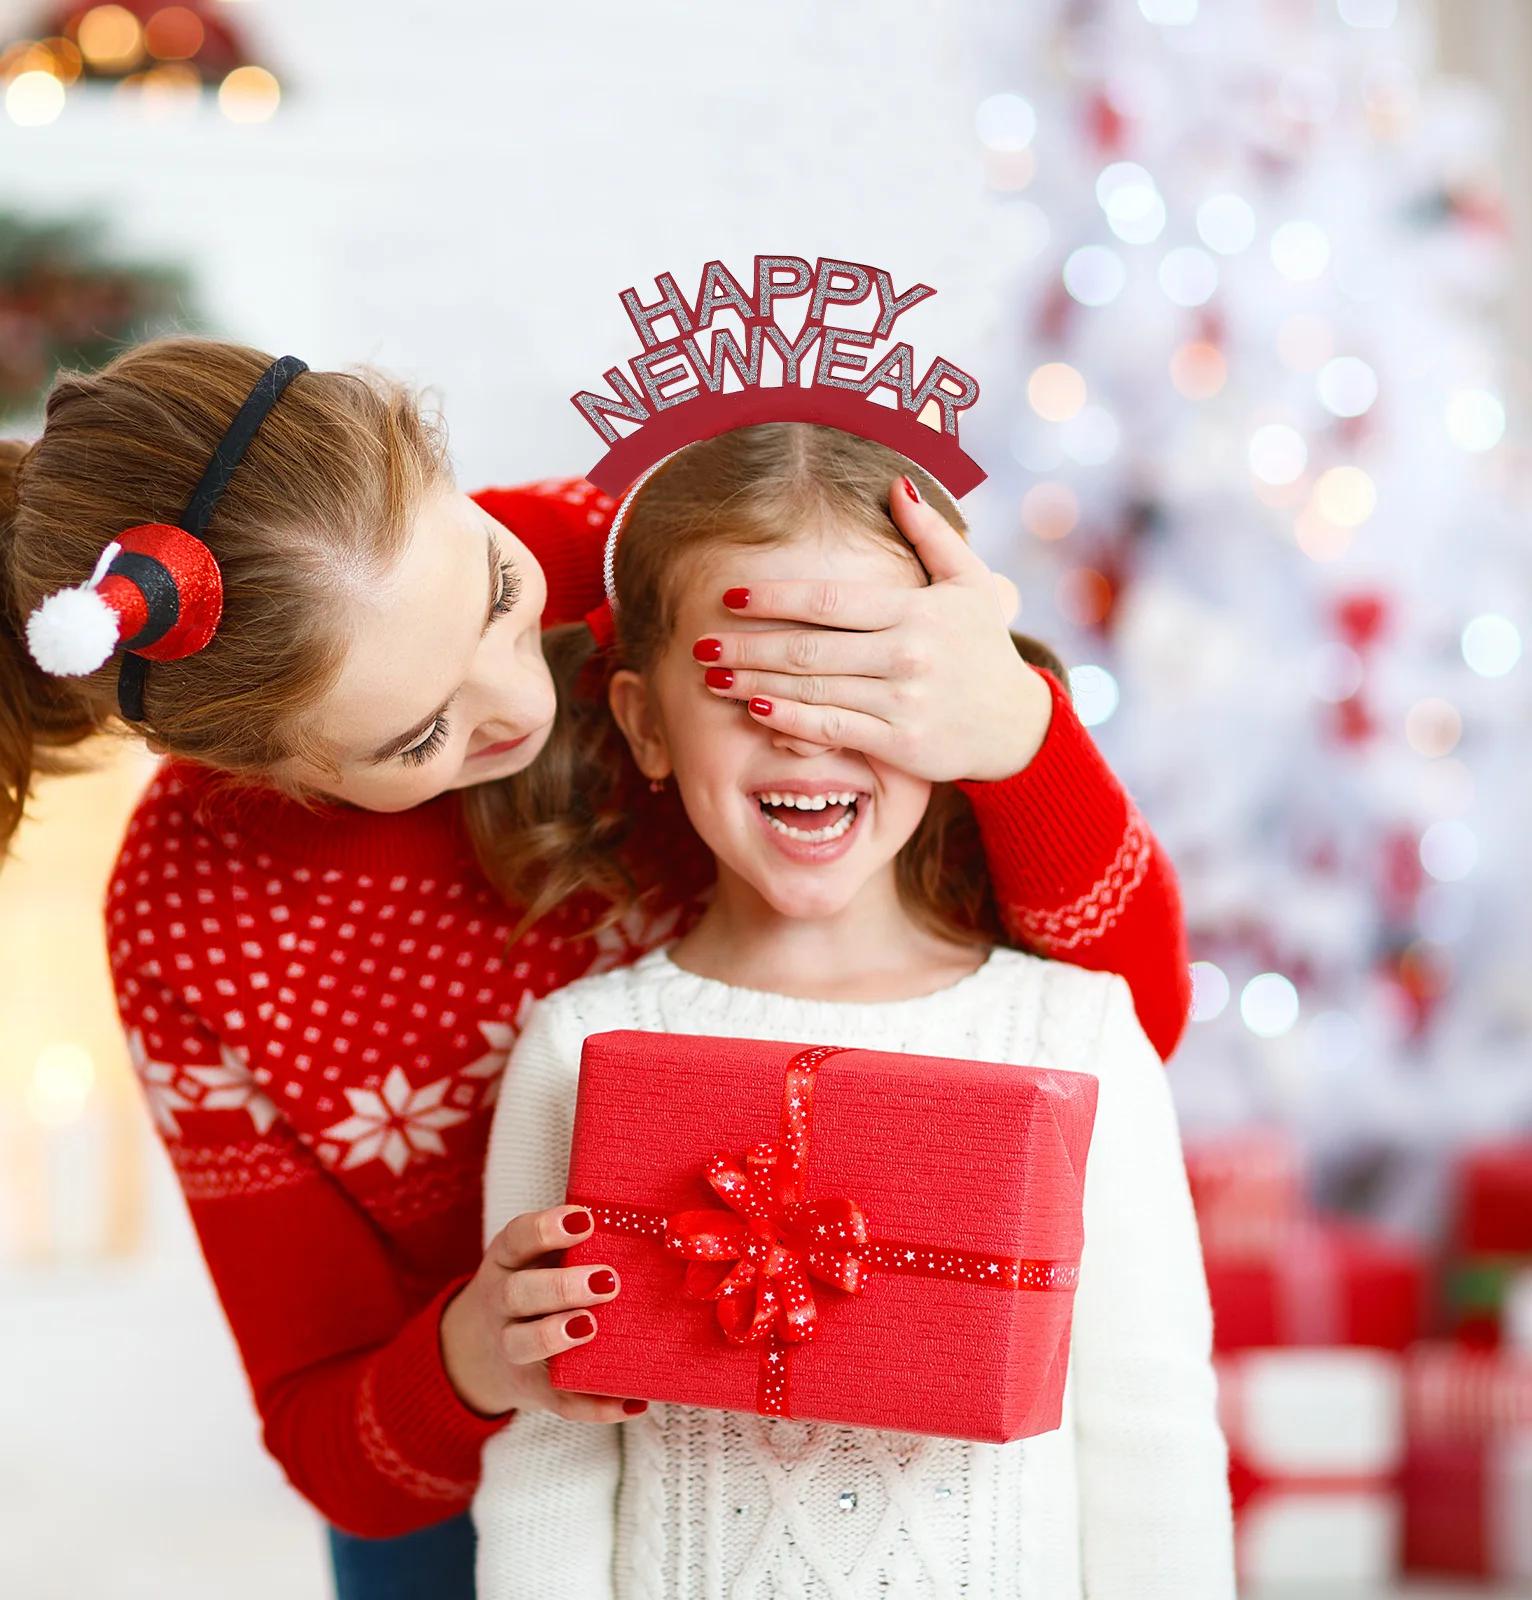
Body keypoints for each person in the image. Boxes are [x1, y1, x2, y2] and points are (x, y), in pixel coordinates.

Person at [0, 341, 1192, 1600]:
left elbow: (1120, 1033)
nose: (519, 702)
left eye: (497, 596)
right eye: (419, 736)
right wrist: (472, 1359)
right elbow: (333, 1449)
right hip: (502, 1480)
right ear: (264, 775)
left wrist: (1019, 739)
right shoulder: (197, 920)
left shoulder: (659, 565)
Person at [478, 423, 1233, 1599]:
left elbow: (1153, 1441)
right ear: (644, 724)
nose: (804, 727)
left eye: (861, 680)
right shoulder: (579, 1052)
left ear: (952, 704)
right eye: (748, 683)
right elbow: (550, 1463)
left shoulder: (1077, 1035)